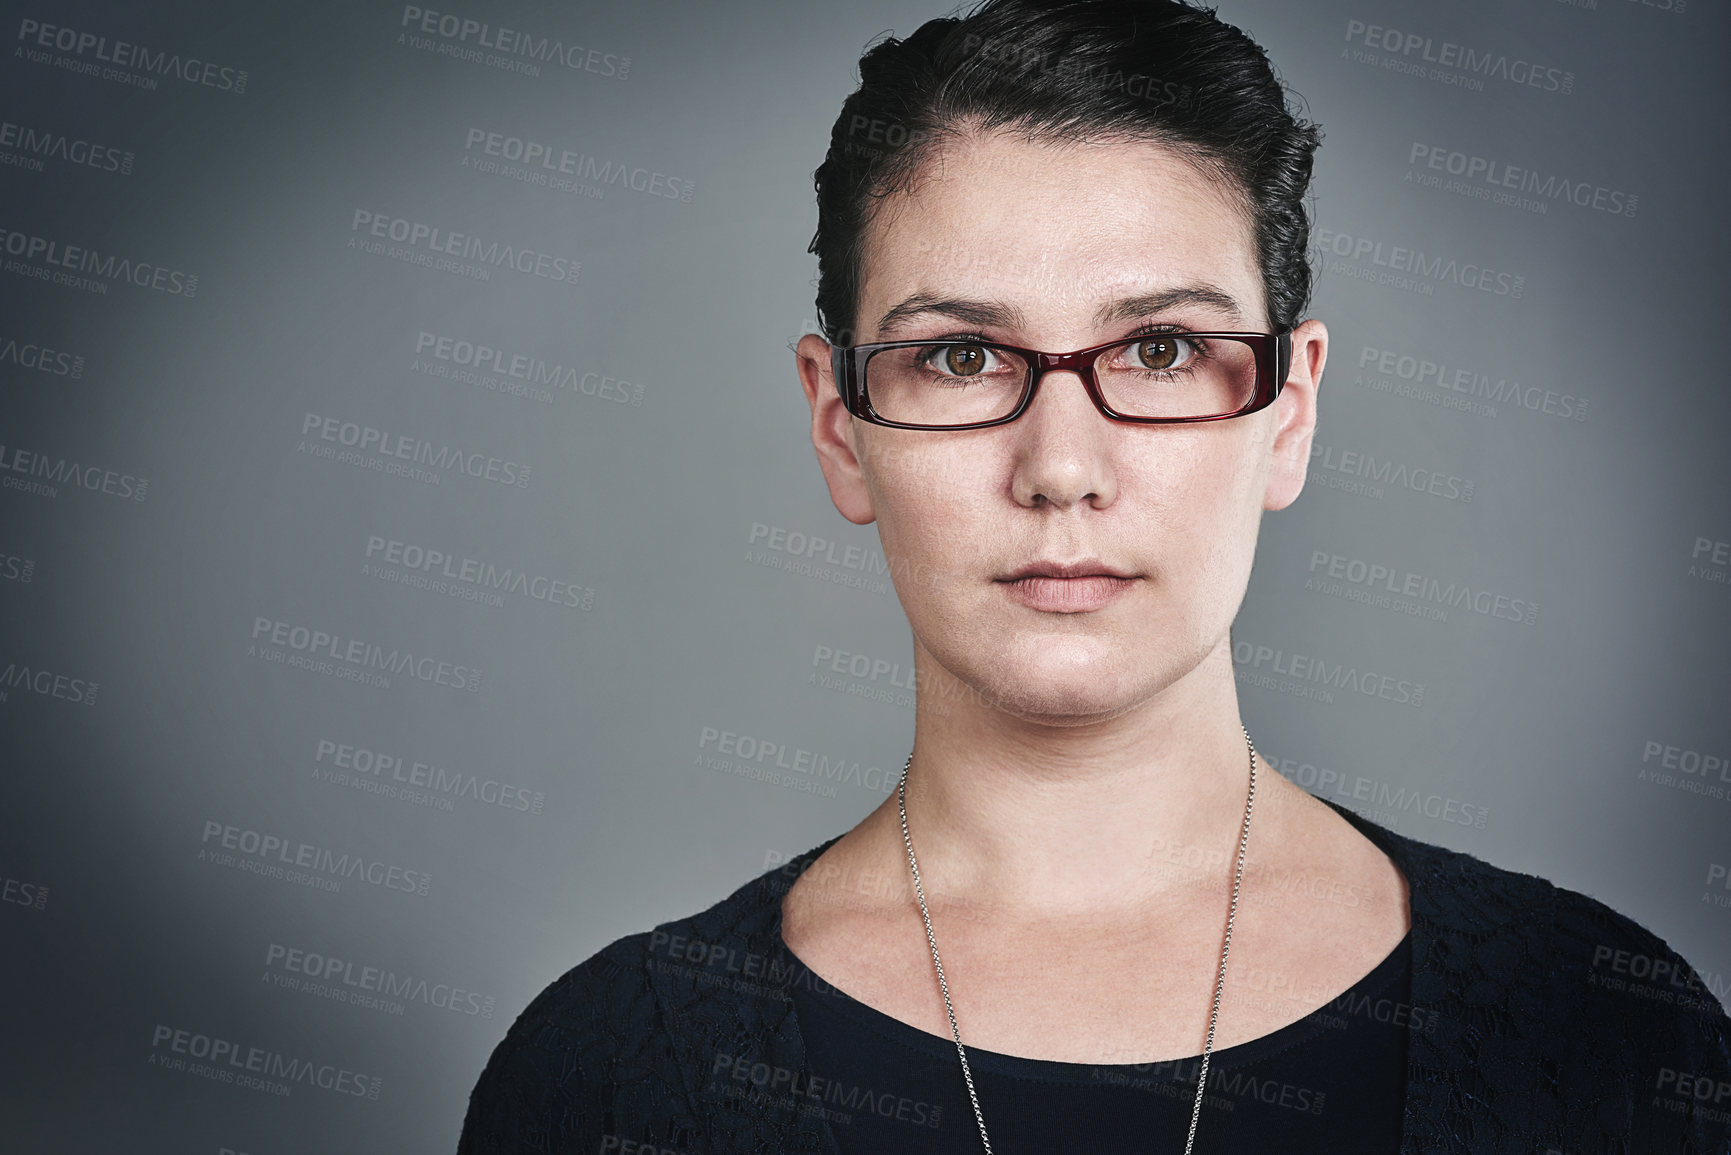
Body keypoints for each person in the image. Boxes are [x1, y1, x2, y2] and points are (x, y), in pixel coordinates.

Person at [458, 1, 1731, 1151]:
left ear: (1288, 414)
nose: (1061, 467)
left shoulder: (1609, 1038)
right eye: (960, 358)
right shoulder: (609, 1079)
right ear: (838, 427)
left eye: (1164, 350)